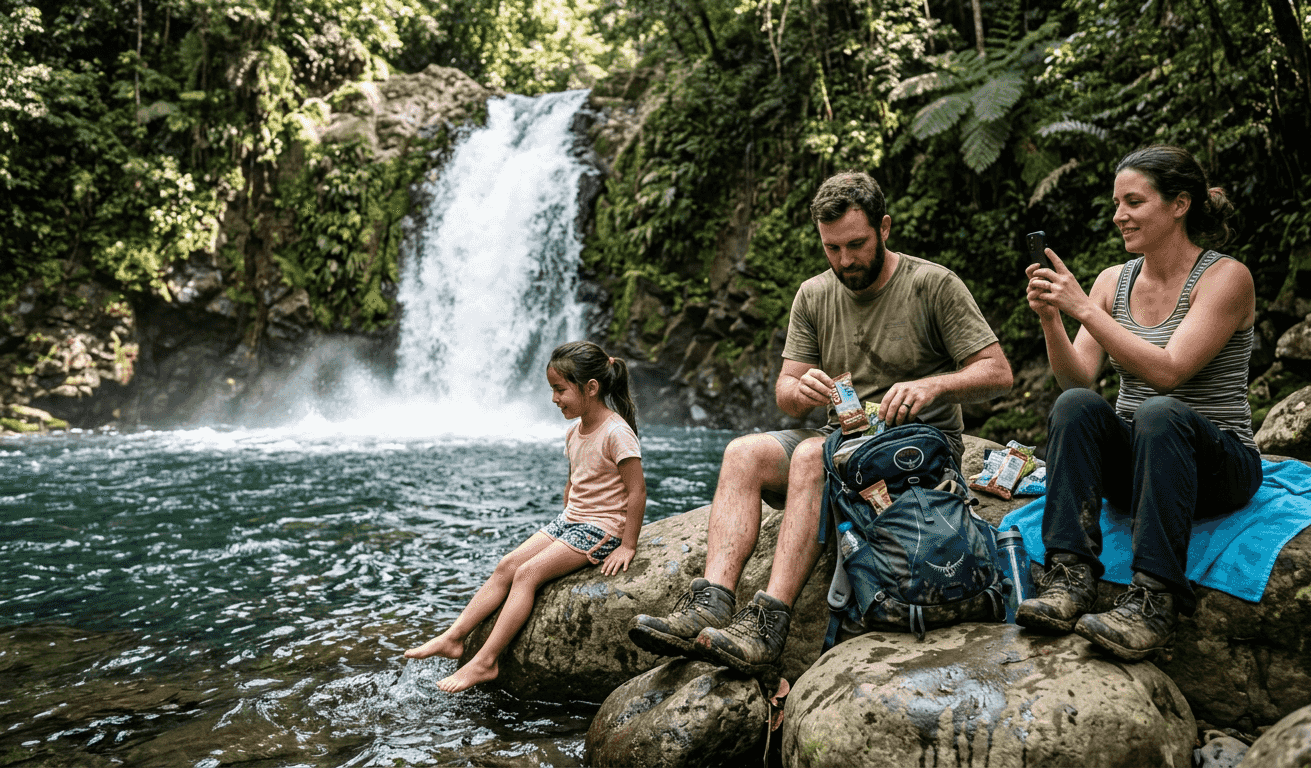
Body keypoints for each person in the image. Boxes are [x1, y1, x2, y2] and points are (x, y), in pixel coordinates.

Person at [629, 171, 1013, 677]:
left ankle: (768, 624)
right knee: (743, 452)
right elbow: (787, 395)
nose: (845, 261)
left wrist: (934, 386)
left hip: (919, 447)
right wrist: (800, 390)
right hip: (843, 438)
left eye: (856, 245)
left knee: (813, 455)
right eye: (832, 248)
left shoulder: (933, 284)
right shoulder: (813, 295)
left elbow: (998, 373)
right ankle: (711, 600)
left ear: (885, 228)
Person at [1014, 145, 1262, 662]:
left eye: (1133, 202)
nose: (1118, 216)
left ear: (1179, 205)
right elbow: (1075, 376)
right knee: (1077, 405)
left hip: (1216, 466)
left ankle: (1153, 600)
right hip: (1142, 471)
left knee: (1157, 410)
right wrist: (1052, 319)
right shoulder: (1113, 281)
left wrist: (1083, 306)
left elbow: (1169, 372)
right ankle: (1070, 577)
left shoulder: (1226, 278)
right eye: (1116, 203)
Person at [405, 341, 645, 692]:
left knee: (528, 574)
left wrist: (627, 545)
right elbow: (576, 480)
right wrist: (563, 521)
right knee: (507, 564)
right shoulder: (575, 430)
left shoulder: (616, 431)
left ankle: (485, 663)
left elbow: (636, 491)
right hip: (574, 519)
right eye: (552, 389)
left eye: (560, 390)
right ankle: (453, 637)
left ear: (591, 388)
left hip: (603, 527)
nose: (554, 399)